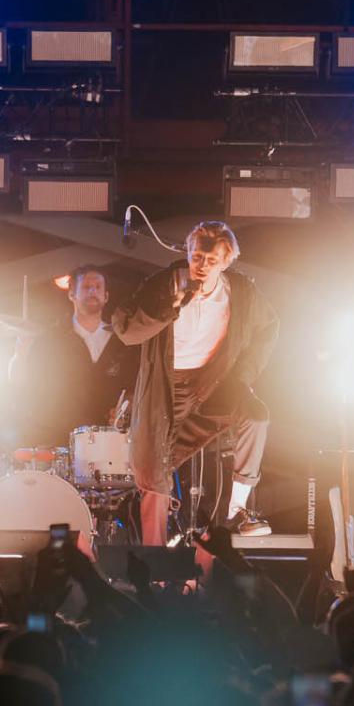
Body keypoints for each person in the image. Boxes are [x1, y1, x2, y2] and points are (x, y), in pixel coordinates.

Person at [109, 221, 277, 544]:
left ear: (227, 261)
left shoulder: (240, 292)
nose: (202, 266)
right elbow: (125, 328)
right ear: (187, 252)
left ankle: (238, 508)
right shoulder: (164, 284)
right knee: (154, 472)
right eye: (197, 257)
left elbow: (269, 328)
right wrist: (168, 306)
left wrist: (243, 376)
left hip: (213, 383)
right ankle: (155, 559)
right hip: (165, 388)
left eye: (211, 261)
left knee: (256, 414)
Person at [7, 264, 138, 447]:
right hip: (58, 441)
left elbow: (136, 386)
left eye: (98, 287)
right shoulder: (50, 339)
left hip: (109, 444)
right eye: (85, 287)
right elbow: (22, 385)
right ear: (71, 294)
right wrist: (19, 355)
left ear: (106, 296)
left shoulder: (122, 341)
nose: (92, 291)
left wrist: (127, 406)